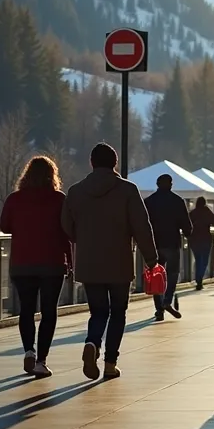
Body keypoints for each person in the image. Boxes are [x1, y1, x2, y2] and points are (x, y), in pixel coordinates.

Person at [63, 143, 159, 380]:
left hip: (89, 262)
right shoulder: (127, 190)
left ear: (91, 163)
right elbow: (142, 226)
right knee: (118, 312)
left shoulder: (76, 191)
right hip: (119, 262)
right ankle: (110, 363)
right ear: (114, 163)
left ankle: (92, 342)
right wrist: (151, 259)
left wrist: (81, 239)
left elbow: (65, 224)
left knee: (97, 311)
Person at [0, 156, 73, 377]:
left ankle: (28, 351)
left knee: (26, 310)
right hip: (52, 263)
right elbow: (66, 232)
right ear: (53, 176)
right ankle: (41, 360)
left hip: (22, 264)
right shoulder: (59, 199)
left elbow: (4, 227)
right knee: (49, 312)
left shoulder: (15, 199)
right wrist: (70, 261)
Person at [144, 174, 191, 321]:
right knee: (172, 274)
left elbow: (143, 224)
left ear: (157, 184)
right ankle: (167, 300)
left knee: (156, 275)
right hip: (172, 243)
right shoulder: (177, 201)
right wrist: (187, 233)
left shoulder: (149, 202)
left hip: (155, 244)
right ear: (171, 184)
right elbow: (187, 226)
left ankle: (159, 309)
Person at [189, 197, 214, 290]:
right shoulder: (207, 212)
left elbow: (188, 224)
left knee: (198, 259)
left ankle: (198, 279)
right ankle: (199, 279)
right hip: (206, 239)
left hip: (194, 239)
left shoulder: (192, 213)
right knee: (204, 261)